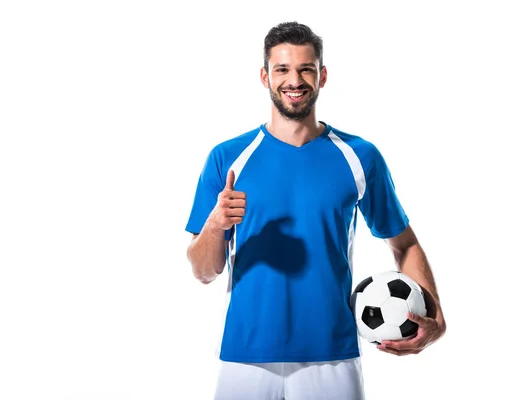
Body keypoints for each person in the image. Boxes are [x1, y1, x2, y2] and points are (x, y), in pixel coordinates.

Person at [184, 21, 446, 400]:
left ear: (322, 76)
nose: (295, 80)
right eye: (283, 69)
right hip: (245, 356)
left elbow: (404, 244)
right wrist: (214, 225)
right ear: (264, 76)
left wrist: (435, 315)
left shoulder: (360, 156)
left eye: (306, 69)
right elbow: (203, 272)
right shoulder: (227, 159)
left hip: (332, 356)